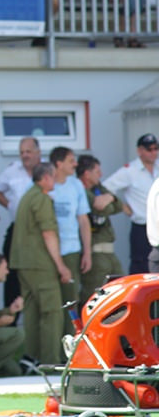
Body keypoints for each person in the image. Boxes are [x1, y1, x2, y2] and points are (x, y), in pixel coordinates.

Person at [10, 162, 68, 365]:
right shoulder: (41, 198)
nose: (55, 181)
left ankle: (31, 358)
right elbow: (48, 233)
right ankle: (51, 361)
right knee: (52, 312)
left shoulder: (28, 196)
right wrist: (61, 265)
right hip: (40, 264)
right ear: (45, 178)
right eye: (53, 176)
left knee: (32, 312)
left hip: (23, 263)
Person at [0, 136, 40, 308]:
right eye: (22, 152)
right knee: (11, 273)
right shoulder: (12, 171)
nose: (25, 155)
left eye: (28, 151)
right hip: (17, 229)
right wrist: (9, 205)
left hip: (40, 231)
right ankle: (11, 316)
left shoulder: (47, 170)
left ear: (38, 152)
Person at [46, 146, 91, 326]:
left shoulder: (76, 185)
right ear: (59, 163)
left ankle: (71, 339)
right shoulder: (44, 184)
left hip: (71, 250)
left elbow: (83, 220)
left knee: (71, 300)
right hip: (47, 252)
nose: (75, 164)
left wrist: (87, 252)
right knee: (51, 302)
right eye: (71, 161)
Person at [103, 133, 159, 273]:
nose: (153, 152)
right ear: (139, 150)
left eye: (156, 148)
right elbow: (106, 187)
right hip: (142, 227)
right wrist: (121, 206)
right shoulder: (130, 171)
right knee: (141, 268)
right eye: (149, 149)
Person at [77, 154, 126, 300]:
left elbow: (119, 206)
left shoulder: (99, 188)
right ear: (87, 174)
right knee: (93, 295)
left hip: (109, 251)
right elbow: (102, 209)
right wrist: (109, 200)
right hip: (94, 251)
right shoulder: (80, 191)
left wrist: (110, 198)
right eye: (97, 171)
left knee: (120, 287)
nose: (101, 174)